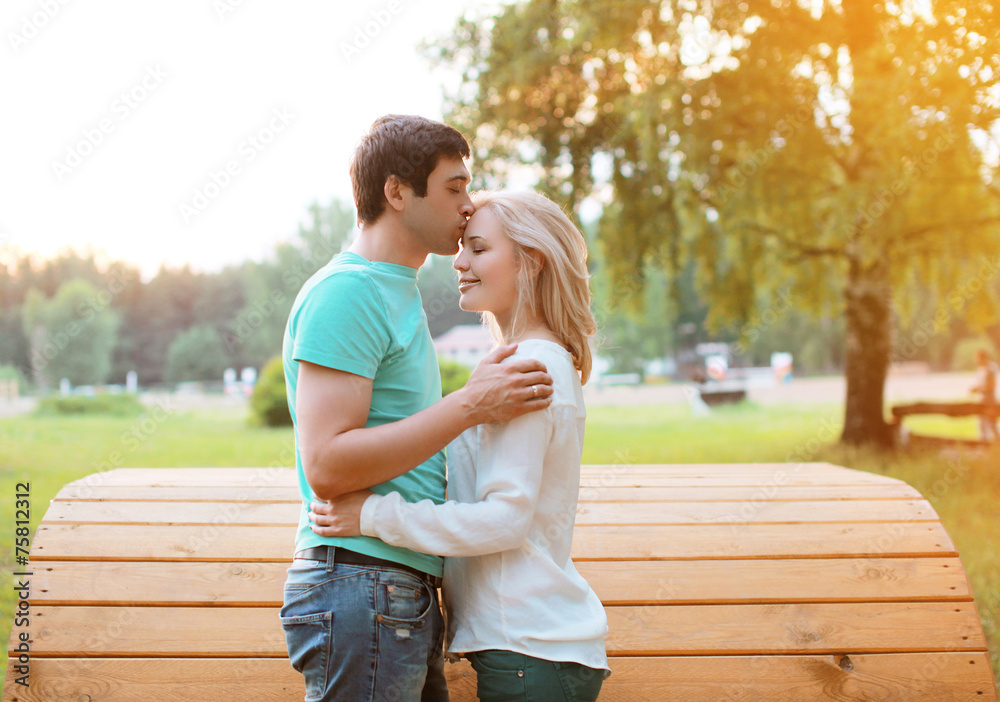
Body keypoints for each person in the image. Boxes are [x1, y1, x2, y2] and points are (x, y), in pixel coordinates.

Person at [280, 115, 556, 702]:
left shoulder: (390, 290)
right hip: (360, 580)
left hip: (391, 584)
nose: (467, 204)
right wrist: (469, 405)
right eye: (454, 187)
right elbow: (326, 465)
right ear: (398, 192)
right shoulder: (350, 293)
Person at [310, 190, 610, 702]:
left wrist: (374, 515)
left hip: (531, 652)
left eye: (478, 248)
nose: (460, 261)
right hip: (528, 650)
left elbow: (504, 520)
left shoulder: (529, 368)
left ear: (531, 261)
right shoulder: (517, 362)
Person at [971, 349, 998, 442]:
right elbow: (981, 383)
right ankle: (984, 442)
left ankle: (996, 442)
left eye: (978, 358)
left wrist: (979, 389)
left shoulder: (990, 368)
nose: (976, 361)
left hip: (989, 399)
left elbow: (991, 384)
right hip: (982, 398)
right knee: (982, 422)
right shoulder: (980, 369)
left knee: (991, 421)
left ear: (983, 358)